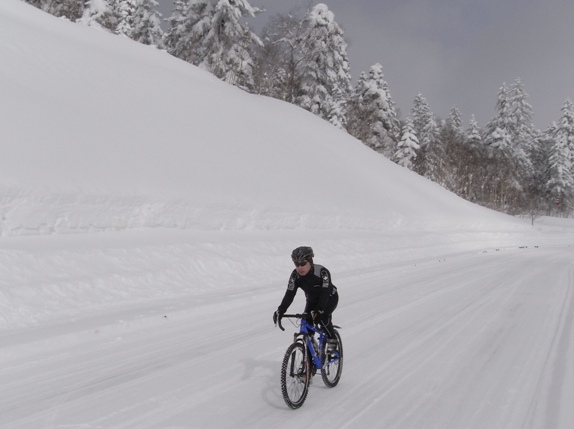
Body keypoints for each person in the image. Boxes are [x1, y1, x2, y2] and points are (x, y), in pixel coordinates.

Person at [273, 246, 339, 350]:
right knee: (307, 322)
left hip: (329, 298)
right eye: (296, 264)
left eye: (303, 264)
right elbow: (290, 294)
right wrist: (281, 310)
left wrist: (320, 310)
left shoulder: (322, 272)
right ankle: (309, 355)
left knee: (322, 318)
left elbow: (325, 292)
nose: (299, 268)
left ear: (310, 261)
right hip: (312, 300)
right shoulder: (295, 275)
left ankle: (332, 339)